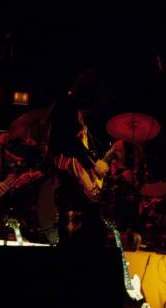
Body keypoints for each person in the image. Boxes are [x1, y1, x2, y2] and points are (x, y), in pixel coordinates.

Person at [47, 70, 115, 247]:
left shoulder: (70, 107)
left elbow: (78, 143)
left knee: (81, 233)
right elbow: (69, 143)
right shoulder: (65, 106)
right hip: (70, 183)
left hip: (71, 183)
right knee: (82, 231)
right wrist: (94, 162)